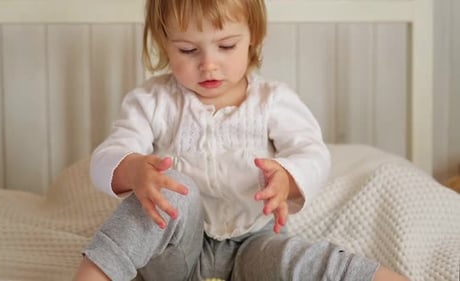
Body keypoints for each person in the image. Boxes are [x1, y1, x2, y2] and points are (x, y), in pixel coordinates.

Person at [73, 0, 409, 280]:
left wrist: (288, 177)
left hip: (254, 243)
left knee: (299, 259)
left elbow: (312, 153)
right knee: (170, 188)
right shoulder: (152, 101)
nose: (208, 64)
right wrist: (133, 170)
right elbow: (108, 156)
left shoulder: (272, 100)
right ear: (165, 44)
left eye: (226, 46)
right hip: (176, 257)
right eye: (188, 49)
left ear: (253, 38)